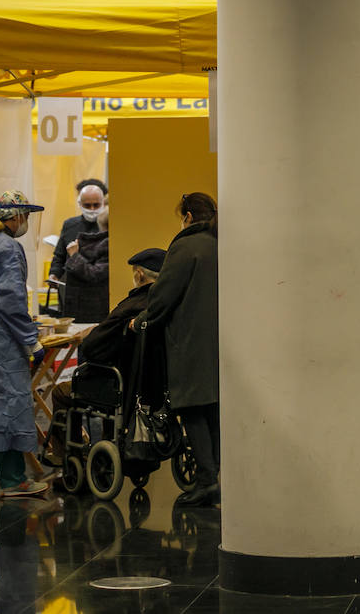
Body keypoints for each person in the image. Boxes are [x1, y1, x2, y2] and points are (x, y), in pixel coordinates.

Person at [132, 193, 220, 507]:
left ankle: (207, 479)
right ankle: (216, 474)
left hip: (191, 340)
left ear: (187, 215)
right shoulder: (220, 243)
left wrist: (143, 319)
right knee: (213, 408)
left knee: (192, 406)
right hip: (220, 341)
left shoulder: (186, 246)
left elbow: (164, 295)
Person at [49, 248, 168, 463]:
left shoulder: (129, 307)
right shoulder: (164, 306)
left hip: (118, 386)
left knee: (61, 392)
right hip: (154, 387)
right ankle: (108, 441)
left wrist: (92, 334)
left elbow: (93, 348)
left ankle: (68, 457)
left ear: (139, 274)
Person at [0, 191, 49, 498]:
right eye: (26, 217)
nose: (27, 223)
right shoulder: (7, 248)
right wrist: (31, 341)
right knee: (11, 407)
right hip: (4, 340)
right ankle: (4, 479)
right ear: (17, 217)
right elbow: (11, 300)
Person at [51, 180, 108, 322]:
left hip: (98, 295)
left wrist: (75, 256)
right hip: (71, 293)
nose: (92, 209)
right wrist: (53, 274)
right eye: (87, 205)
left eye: (96, 205)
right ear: (80, 204)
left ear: (103, 203)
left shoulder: (108, 226)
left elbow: (98, 271)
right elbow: (59, 255)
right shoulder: (70, 225)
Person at [62, 207, 110, 323]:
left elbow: (94, 274)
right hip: (92, 310)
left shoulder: (104, 244)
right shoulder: (107, 244)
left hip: (87, 309)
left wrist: (74, 256)